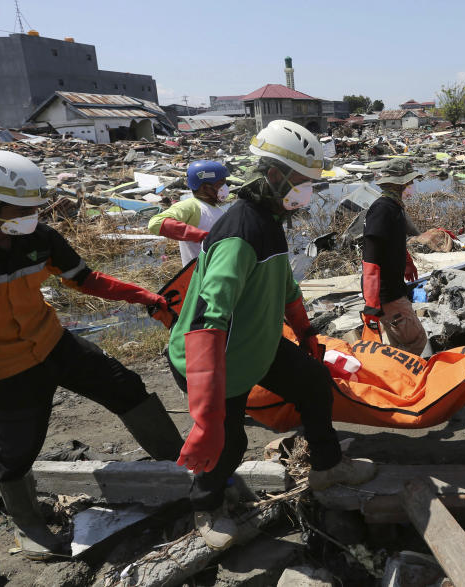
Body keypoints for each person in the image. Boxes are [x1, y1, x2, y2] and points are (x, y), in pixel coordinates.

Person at [0, 150, 183, 560]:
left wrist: (141, 294)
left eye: (35, 206)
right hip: (2, 370)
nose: (32, 214)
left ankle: (179, 466)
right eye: (21, 208)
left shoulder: (41, 239)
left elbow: (84, 278)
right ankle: (29, 524)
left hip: (55, 343)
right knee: (16, 453)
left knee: (127, 387)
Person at [167, 120, 376, 551]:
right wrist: (206, 412)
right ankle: (206, 506)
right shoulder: (240, 233)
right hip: (212, 359)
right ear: (274, 175)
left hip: (254, 345)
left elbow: (285, 287)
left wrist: (306, 334)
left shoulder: (269, 220)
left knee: (314, 383)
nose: (307, 192)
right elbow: (209, 317)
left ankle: (326, 465)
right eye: (302, 182)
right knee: (227, 440)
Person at [360, 159, 428, 356]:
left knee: (398, 345)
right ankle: (407, 381)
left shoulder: (394, 207)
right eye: (408, 183)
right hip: (387, 293)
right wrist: (372, 301)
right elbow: (371, 257)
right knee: (416, 341)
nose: (411, 186)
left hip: (392, 288)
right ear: (398, 184)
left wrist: (407, 262)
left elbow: (392, 242)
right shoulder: (382, 209)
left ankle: (397, 380)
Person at [147, 160, 231, 265]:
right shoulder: (192, 206)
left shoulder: (218, 208)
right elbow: (156, 223)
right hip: (198, 275)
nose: (225, 187)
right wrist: (202, 236)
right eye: (220, 184)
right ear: (205, 187)